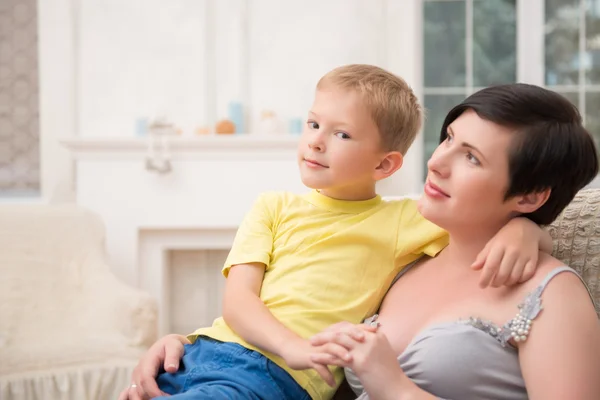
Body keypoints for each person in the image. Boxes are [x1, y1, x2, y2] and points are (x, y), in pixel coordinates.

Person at [118, 66, 550, 400]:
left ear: (385, 165)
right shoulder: (272, 206)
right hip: (202, 353)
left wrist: (526, 230)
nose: (317, 142)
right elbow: (238, 302)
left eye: (341, 133)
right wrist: (290, 346)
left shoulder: (406, 220)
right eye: (313, 125)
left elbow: (482, 228)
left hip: (273, 379)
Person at [308, 83, 600, 400]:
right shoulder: (406, 259)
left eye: (471, 158)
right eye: (449, 138)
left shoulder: (552, 294)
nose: (436, 163)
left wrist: (397, 389)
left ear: (529, 197)